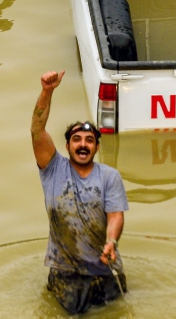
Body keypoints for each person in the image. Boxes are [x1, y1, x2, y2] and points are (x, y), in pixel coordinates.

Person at [31, 70, 129, 315]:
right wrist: (47, 91)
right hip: (66, 273)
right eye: (77, 139)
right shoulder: (53, 168)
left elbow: (115, 215)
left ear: (96, 147)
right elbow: (37, 130)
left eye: (89, 140)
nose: (83, 144)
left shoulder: (109, 176)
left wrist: (111, 241)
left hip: (105, 270)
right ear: (67, 146)